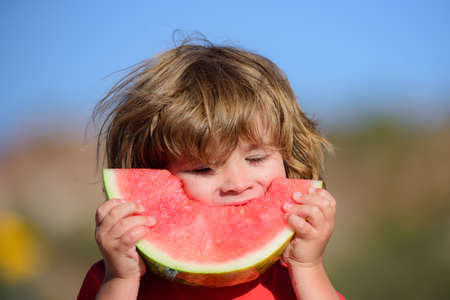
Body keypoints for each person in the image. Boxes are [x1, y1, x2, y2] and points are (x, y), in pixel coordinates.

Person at [78, 40, 345, 300]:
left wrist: (309, 268)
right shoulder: (114, 277)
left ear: (287, 155)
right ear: (151, 170)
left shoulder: (294, 278)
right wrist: (120, 280)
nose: (238, 183)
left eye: (256, 158)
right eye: (204, 169)